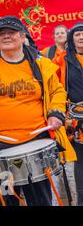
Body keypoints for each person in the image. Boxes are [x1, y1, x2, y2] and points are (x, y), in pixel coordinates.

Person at [0, 15, 76, 206]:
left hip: (37, 140)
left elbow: (57, 91)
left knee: (40, 197)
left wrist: (56, 113)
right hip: (0, 143)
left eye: (11, 32)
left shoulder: (41, 64)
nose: (6, 36)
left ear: (23, 36)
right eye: (2, 33)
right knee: (6, 196)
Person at [53, 22, 83, 205]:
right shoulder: (62, 59)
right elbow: (54, 85)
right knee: (80, 160)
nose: (81, 37)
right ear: (72, 39)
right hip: (76, 119)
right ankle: (80, 199)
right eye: (77, 34)